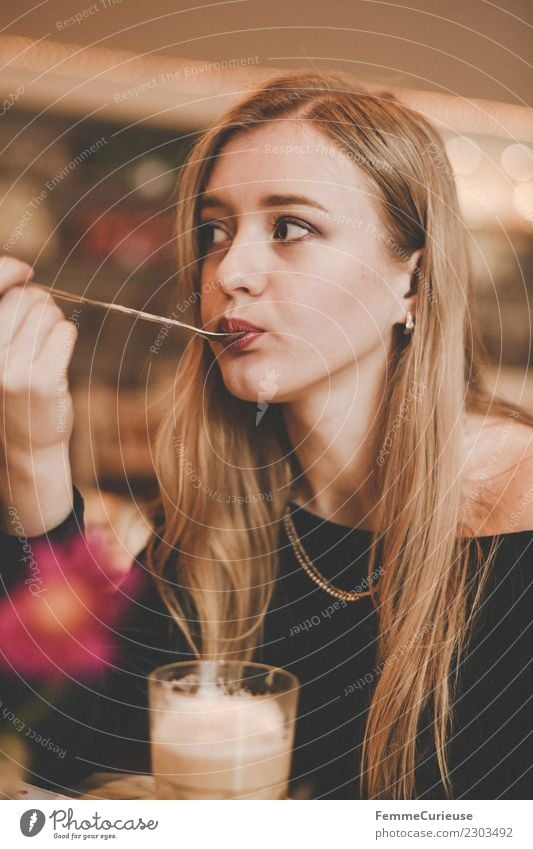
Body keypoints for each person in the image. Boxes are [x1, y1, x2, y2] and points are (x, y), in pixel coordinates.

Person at [0, 70, 532, 800]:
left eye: (290, 227)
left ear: (409, 280)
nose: (229, 271)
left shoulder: (520, 514)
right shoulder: (220, 514)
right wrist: (33, 459)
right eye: (214, 231)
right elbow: (71, 756)